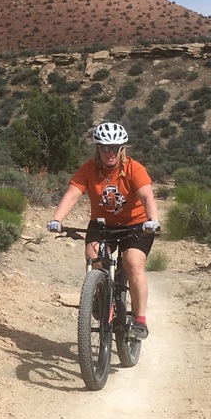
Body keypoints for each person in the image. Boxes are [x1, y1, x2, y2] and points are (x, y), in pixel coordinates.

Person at [45, 122, 161, 340]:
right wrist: (56, 219)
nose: (110, 152)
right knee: (94, 259)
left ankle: (140, 320)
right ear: (98, 148)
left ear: (121, 149)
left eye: (115, 148)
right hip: (102, 225)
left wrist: (153, 220)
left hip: (136, 225)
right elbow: (72, 195)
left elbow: (147, 197)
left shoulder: (134, 169)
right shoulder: (89, 169)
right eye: (106, 147)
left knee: (133, 263)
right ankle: (100, 296)